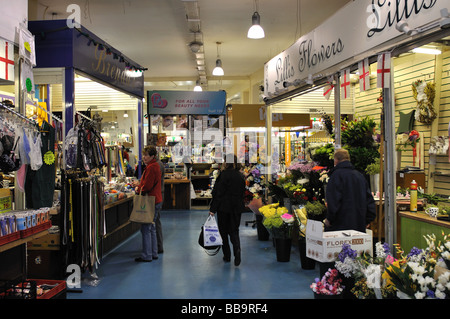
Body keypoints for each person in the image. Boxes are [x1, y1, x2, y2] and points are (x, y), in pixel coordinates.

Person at [324, 148, 376, 233]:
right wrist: (367, 219)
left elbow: (333, 201)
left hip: (340, 226)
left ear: (336, 160)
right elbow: (369, 199)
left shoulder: (335, 177)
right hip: (358, 225)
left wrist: (329, 219)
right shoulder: (360, 176)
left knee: (343, 246)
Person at [209, 154, 246, 266]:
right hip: (237, 208)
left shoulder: (223, 176)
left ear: (226, 162)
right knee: (234, 231)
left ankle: (227, 255)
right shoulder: (240, 176)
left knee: (223, 232)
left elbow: (218, 194)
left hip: (224, 208)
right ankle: (237, 250)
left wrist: (213, 209)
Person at [133, 145, 163, 262]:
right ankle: (153, 252)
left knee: (146, 228)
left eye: (146, 155)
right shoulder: (154, 166)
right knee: (152, 227)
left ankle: (146, 255)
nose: (144, 157)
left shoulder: (151, 168)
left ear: (152, 156)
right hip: (156, 199)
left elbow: (147, 186)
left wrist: (138, 188)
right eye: (143, 155)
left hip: (151, 200)